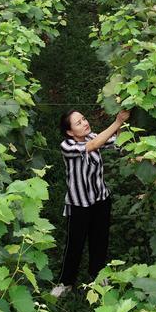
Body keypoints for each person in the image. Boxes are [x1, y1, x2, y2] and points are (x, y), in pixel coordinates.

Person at [50, 109, 131, 298]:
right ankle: (66, 282)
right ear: (70, 132)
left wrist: (123, 125)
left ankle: (97, 274)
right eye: (78, 123)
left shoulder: (93, 136)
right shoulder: (67, 146)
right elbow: (94, 145)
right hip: (79, 204)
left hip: (101, 199)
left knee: (100, 240)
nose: (85, 123)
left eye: (84, 119)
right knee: (74, 244)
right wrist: (118, 121)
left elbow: (117, 144)